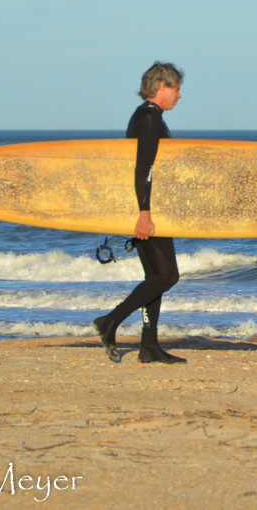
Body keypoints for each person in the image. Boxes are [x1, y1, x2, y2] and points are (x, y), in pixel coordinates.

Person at [93, 62, 186, 365]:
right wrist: (144, 214)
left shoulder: (146, 116)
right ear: (161, 87)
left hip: (147, 207)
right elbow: (142, 169)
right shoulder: (149, 119)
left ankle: (148, 346)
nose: (179, 96)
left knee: (155, 277)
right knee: (168, 276)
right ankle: (110, 322)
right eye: (176, 89)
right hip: (147, 209)